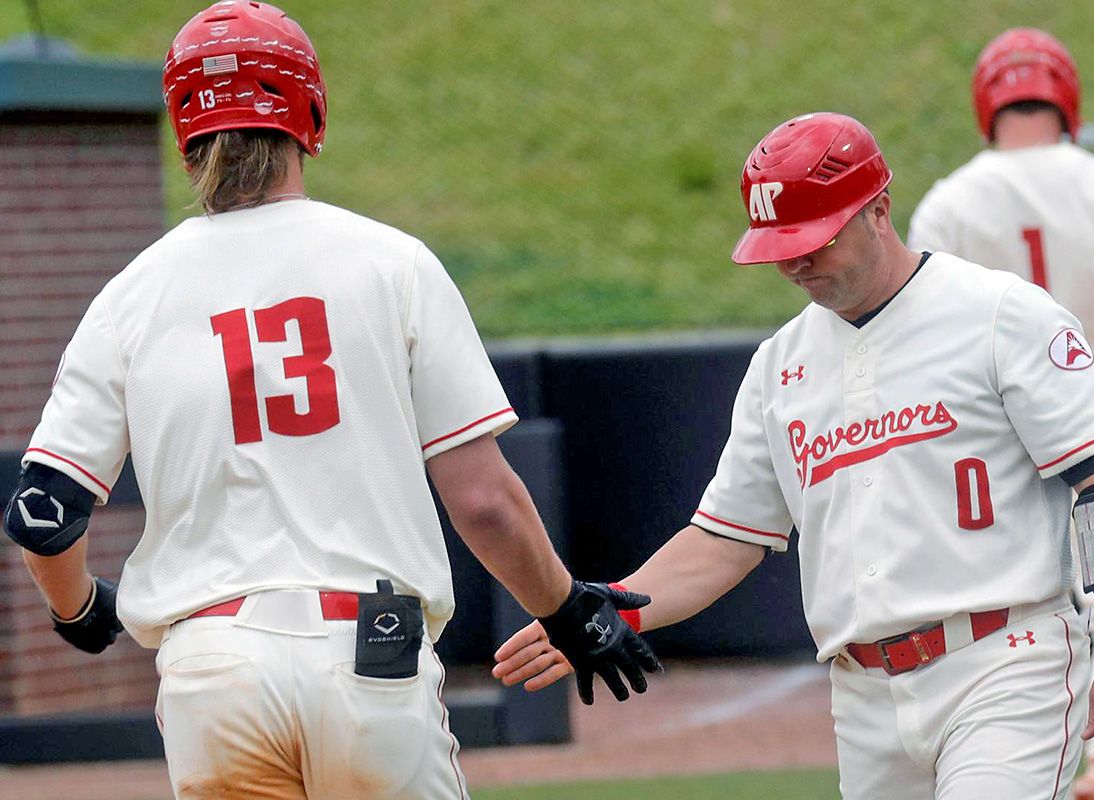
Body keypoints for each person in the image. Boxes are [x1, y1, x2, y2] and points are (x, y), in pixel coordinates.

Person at [1, 2, 657, 798]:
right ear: (309, 111)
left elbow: (42, 512)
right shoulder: (394, 264)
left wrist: (80, 611)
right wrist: (565, 610)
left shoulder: (129, 296)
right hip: (367, 650)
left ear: (186, 132)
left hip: (209, 667)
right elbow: (484, 501)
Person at [492, 111, 1094, 800]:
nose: (794, 261)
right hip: (864, 694)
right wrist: (612, 607)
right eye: (779, 244)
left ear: (879, 208)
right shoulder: (779, 365)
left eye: (814, 238)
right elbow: (725, 538)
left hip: (1006, 661)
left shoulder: (1001, 314)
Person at [907, 28, 1094, 800]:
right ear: (1066, 98)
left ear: (985, 104)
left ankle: (1017, 766)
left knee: (1018, 599)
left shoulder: (949, 198)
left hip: (993, 430)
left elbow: (916, 329)